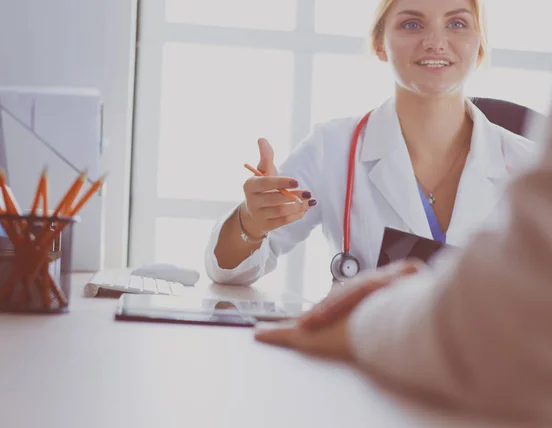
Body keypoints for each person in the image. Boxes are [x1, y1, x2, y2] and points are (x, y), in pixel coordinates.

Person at [204, 0, 538, 287]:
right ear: (380, 43)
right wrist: (251, 222)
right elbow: (230, 273)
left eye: (456, 23)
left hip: (485, 361)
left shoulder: (530, 167)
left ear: (479, 46)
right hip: (359, 359)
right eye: (411, 23)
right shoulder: (331, 148)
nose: (436, 41)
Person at [253, 114, 552, 423]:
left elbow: (520, 319)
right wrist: (250, 224)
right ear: (382, 59)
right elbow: (241, 263)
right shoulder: (333, 145)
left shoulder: (524, 158)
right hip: (363, 396)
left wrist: (362, 316)